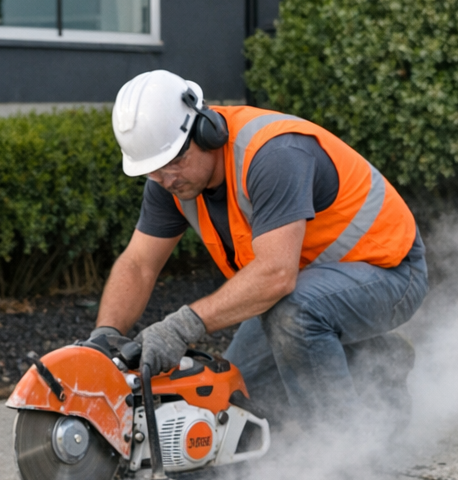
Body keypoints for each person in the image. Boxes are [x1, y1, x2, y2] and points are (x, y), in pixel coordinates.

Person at [93, 69, 427, 428]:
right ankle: (375, 357)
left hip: (391, 272)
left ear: (207, 130)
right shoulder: (168, 183)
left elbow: (277, 275)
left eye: (175, 161)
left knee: (294, 316)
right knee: (232, 398)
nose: (166, 179)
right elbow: (139, 264)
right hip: (307, 290)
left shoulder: (273, 155)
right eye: (154, 171)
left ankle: (341, 449)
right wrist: (103, 341)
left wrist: (180, 327)